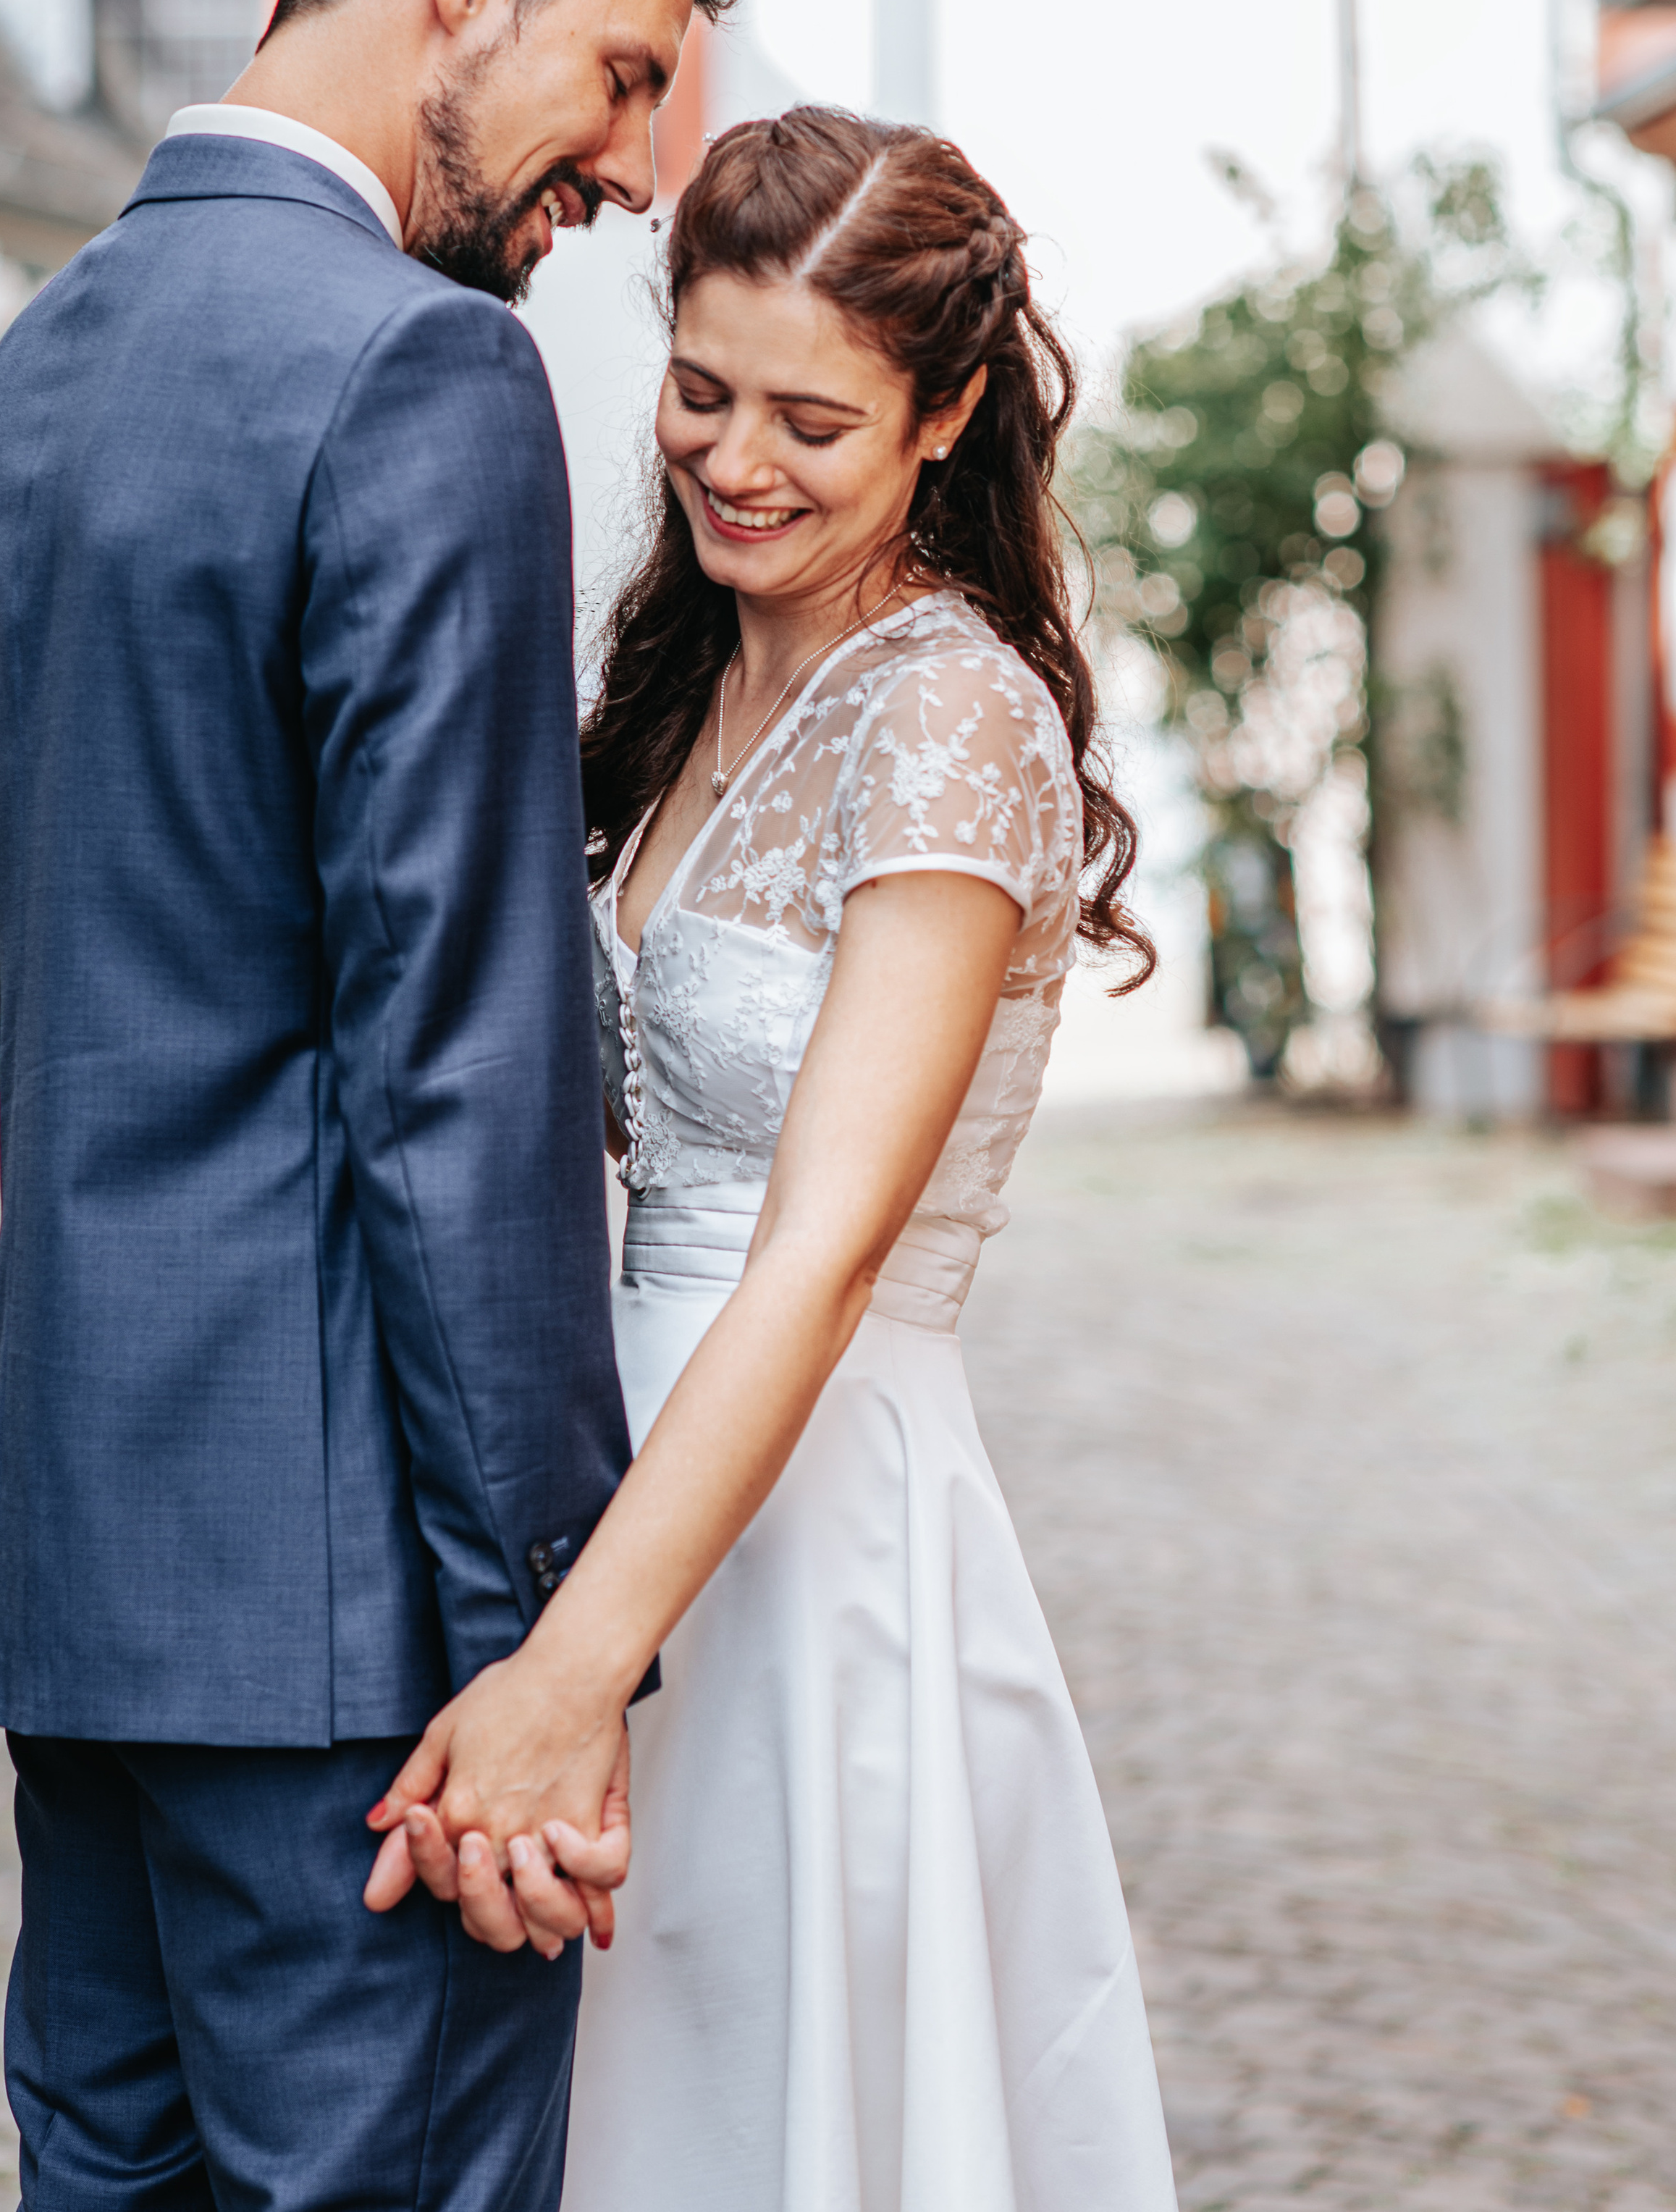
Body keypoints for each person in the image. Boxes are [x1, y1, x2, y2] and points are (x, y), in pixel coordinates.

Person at [0, 0, 740, 2212]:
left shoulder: (27, 377)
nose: (623, 183)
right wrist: (546, 1649)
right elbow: (460, 1069)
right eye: (617, 76)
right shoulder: (414, 372)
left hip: (85, 1578)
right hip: (357, 1632)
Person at [368, 108, 1180, 2208]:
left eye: (813, 418)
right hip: (626, 1466)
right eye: (701, 391)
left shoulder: (949, 715)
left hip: (818, 1514)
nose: (736, 459)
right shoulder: (690, 679)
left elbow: (818, 1252)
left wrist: (569, 1673)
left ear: (951, 414)